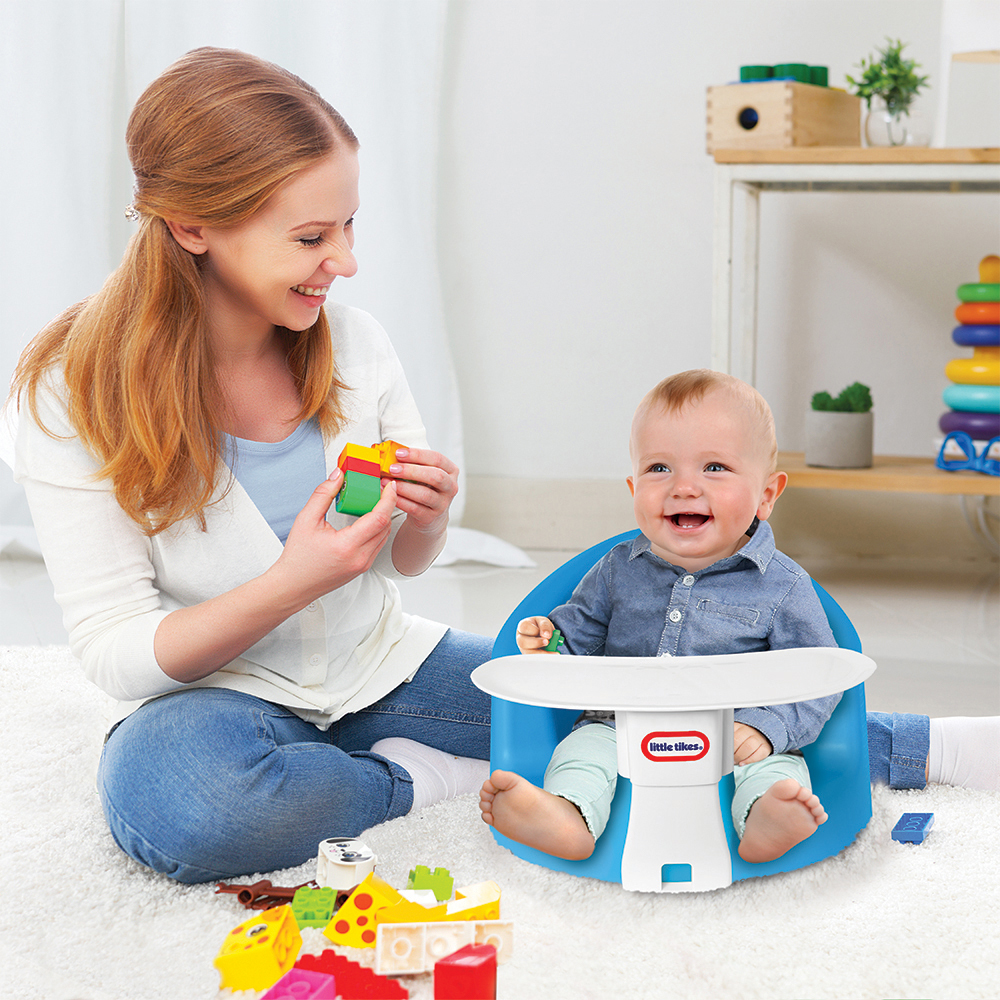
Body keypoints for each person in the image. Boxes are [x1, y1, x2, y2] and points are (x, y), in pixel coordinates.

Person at [10, 47, 490, 885]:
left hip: (378, 663)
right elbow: (116, 652)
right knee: (195, 805)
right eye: (310, 237)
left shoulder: (357, 345)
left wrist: (432, 516)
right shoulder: (68, 390)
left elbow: (397, 561)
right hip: (217, 703)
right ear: (193, 227)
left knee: (591, 710)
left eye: (348, 226)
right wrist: (292, 580)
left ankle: (339, 771)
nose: (343, 262)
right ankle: (414, 781)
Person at [479, 370, 1000, 865]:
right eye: (659, 468)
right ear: (635, 491)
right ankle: (567, 817)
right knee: (581, 755)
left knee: (774, 771)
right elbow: (580, 638)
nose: (684, 486)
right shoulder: (616, 570)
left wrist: (768, 729)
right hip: (619, 727)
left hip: (735, 735)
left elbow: (817, 677)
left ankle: (765, 819)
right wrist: (551, 641)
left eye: (715, 467)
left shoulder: (784, 586)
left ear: (766, 495)